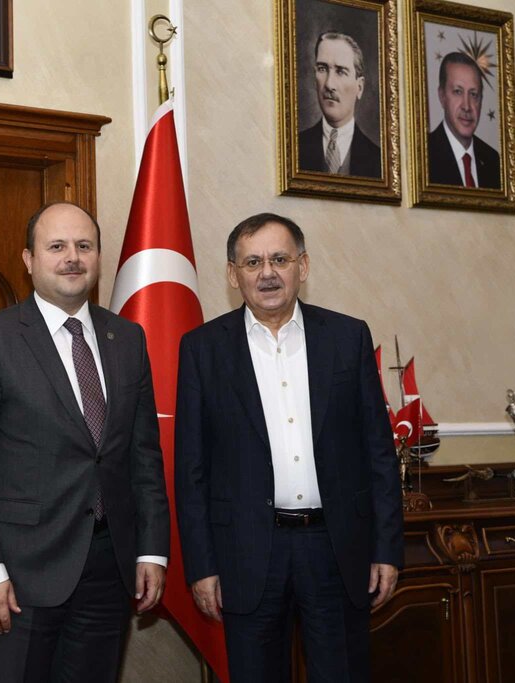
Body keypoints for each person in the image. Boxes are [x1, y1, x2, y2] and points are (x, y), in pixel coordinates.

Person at [0, 201, 170, 683]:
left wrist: (151, 550)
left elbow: (143, 455)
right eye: (57, 246)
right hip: (18, 574)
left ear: (98, 257)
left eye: (84, 246)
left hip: (109, 569)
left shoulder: (127, 338)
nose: (72, 257)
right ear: (29, 260)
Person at [174, 213, 403, 682]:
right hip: (246, 552)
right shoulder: (202, 349)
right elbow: (191, 469)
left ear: (304, 266)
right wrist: (201, 566)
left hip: (336, 548)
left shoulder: (348, 338)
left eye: (280, 259)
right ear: (232, 274)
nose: (267, 273)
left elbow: (378, 453)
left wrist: (386, 549)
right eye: (252, 262)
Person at [298, 32, 382, 179]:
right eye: (322, 69)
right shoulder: (294, 149)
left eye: (341, 71)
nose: (329, 84)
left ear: (359, 87)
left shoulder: (379, 161)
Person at [428, 51, 501, 188]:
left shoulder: (493, 160)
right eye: (458, 92)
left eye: (473, 94)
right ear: (442, 96)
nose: (467, 106)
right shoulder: (424, 155)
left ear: (481, 100)